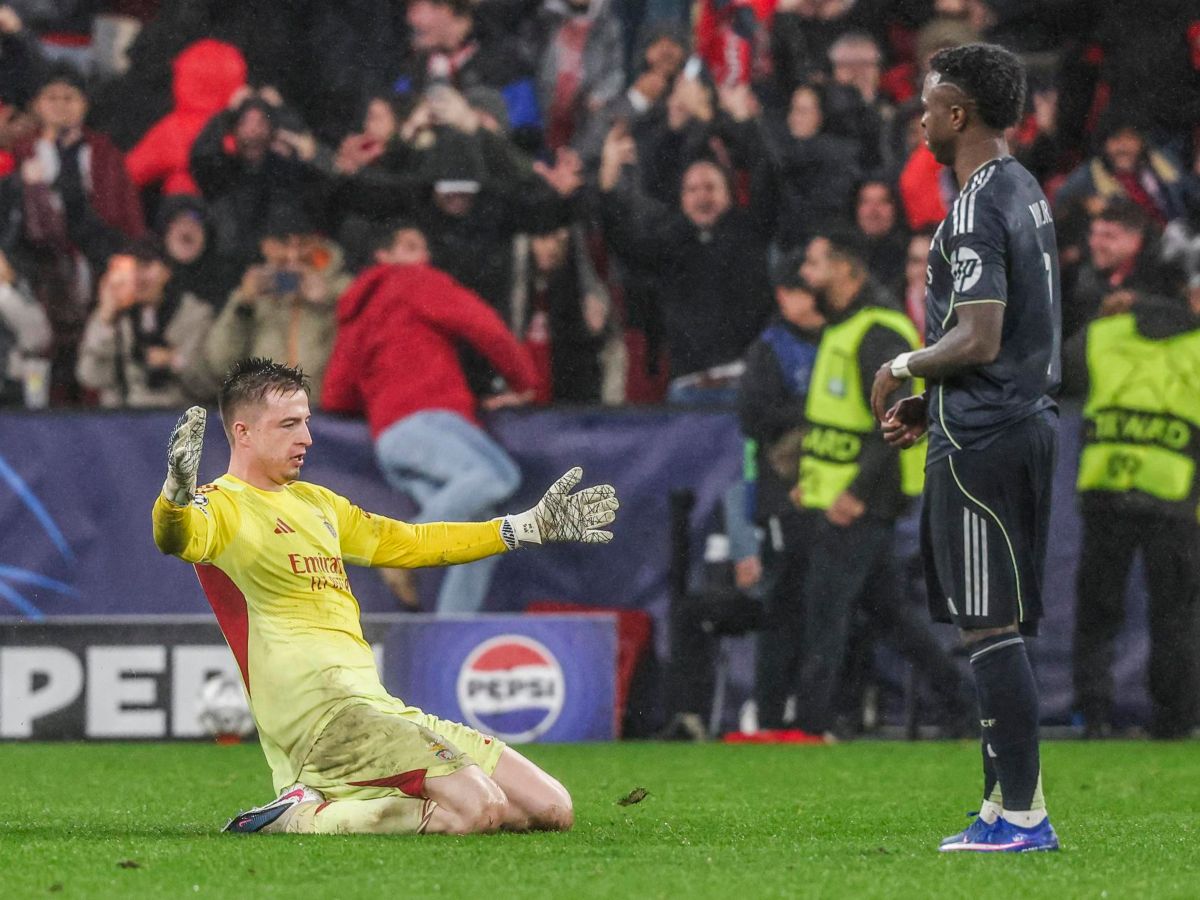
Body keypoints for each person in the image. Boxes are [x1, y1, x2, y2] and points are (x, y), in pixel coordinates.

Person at [151, 359, 618, 834]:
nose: (306, 438)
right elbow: (177, 537)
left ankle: (328, 802)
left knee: (551, 809)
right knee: (479, 810)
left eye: (307, 422)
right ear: (243, 432)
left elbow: (411, 543)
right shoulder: (221, 505)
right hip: (320, 721)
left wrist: (520, 529)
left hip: (378, 710)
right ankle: (296, 817)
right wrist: (173, 496)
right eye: (289, 424)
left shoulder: (318, 503)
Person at [871, 43, 1062, 853]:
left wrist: (903, 363)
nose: (919, 117)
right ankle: (1001, 805)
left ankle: (1022, 815)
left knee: (989, 627)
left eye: (928, 102)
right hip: (1005, 419)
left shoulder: (978, 199)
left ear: (958, 112)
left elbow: (978, 335)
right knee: (994, 624)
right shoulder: (1023, 189)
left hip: (985, 435)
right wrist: (933, 394)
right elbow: (1003, 332)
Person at [793, 233, 971, 741]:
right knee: (892, 616)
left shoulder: (877, 329)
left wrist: (859, 493)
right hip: (842, 495)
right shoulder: (848, 326)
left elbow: (893, 419)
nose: (807, 273)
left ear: (846, 271)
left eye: (814, 262)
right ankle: (963, 705)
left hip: (863, 501)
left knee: (825, 612)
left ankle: (811, 726)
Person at [321, 223, 541, 615]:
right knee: (500, 476)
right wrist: (524, 380)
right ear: (383, 257)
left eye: (423, 249)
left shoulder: (357, 313)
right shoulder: (413, 281)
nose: (421, 257)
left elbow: (336, 395)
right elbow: (482, 324)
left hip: (390, 443)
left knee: (482, 536)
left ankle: (446, 637)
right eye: (409, 246)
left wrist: (381, 395)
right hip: (430, 420)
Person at [1061, 287, 1200, 740]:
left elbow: (1055, 376)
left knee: (1098, 612)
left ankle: (1093, 714)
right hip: (1174, 493)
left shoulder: (1102, 334)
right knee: (1175, 614)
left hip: (1107, 489)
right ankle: (1175, 719)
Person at [204, 208, 350, 401]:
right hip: (266, 412)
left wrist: (329, 301)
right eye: (283, 244)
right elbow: (219, 365)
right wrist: (243, 307)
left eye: (303, 243)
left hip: (325, 415)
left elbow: (357, 357)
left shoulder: (344, 289)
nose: (293, 255)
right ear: (266, 246)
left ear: (318, 243)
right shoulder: (253, 293)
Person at [76, 238, 216, 408]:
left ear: (166, 271)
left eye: (145, 266)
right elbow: (90, 376)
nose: (137, 277)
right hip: (123, 422)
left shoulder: (195, 315)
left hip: (179, 417)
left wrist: (174, 360)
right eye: (130, 269)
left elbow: (209, 385)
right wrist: (106, 321)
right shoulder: (114, 315)